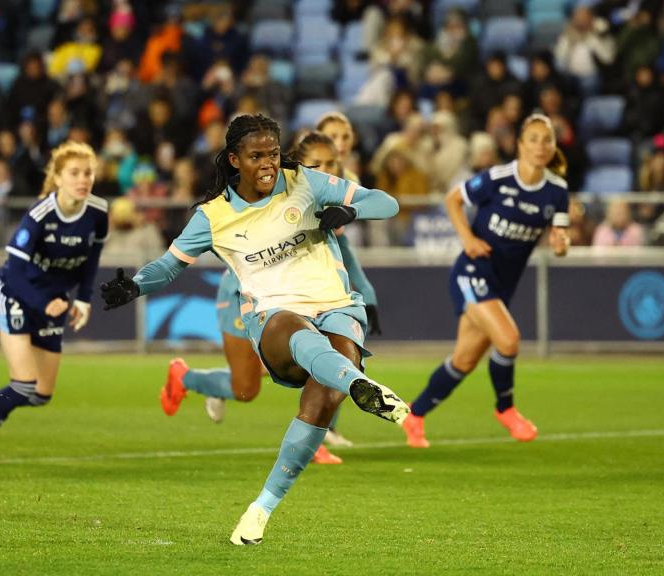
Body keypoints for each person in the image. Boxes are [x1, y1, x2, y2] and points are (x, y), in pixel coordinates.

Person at [99, 114, 408, 545]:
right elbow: (170, 266)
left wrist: (350, 209)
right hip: (272, 316)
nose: (268, 164)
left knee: (324, 398)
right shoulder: (213, 216)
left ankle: (260, 509)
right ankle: (360, 384)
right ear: (234, 159)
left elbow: (387, 203)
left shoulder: (306, 181)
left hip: (337, 307)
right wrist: (133, 285)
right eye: (257, 155)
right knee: (289, 335)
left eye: (274, 153)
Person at [163, 131, 381, 465]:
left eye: (333, 159)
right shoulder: (279, 187)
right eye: (318, 162)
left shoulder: (333, 188)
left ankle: (316, 435)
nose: (327, 166)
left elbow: (343, 251)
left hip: (300, 298)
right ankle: (186, 377)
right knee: (245, 388)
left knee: (325, 355)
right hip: (243, 295)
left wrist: (368, 296)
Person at [401, 114, 571, 448]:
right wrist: (466, 238)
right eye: (533, 139)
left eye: (547, 140)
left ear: (553, 147)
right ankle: (506, 409)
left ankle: (414, 414)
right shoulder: (498, 178)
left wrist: (562, 245)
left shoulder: (557, 191)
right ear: (520, 144)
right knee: (508, 340)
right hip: (472, 271)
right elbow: (453, 199)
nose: (540, 146)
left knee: (464, 361)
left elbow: (560, 238)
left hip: (503, 285)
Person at [0, 142, 109, 465]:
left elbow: (91, 259)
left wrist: (83, 298)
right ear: (57, 177)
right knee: (24, 383)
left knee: (41, 395)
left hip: (51, 300)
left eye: (88, 173)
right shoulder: (41, 214)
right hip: (16, 294)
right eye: (74, 173)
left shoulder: (97, 212)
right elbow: (13, 271)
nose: (83, 179)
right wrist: (44, 302)